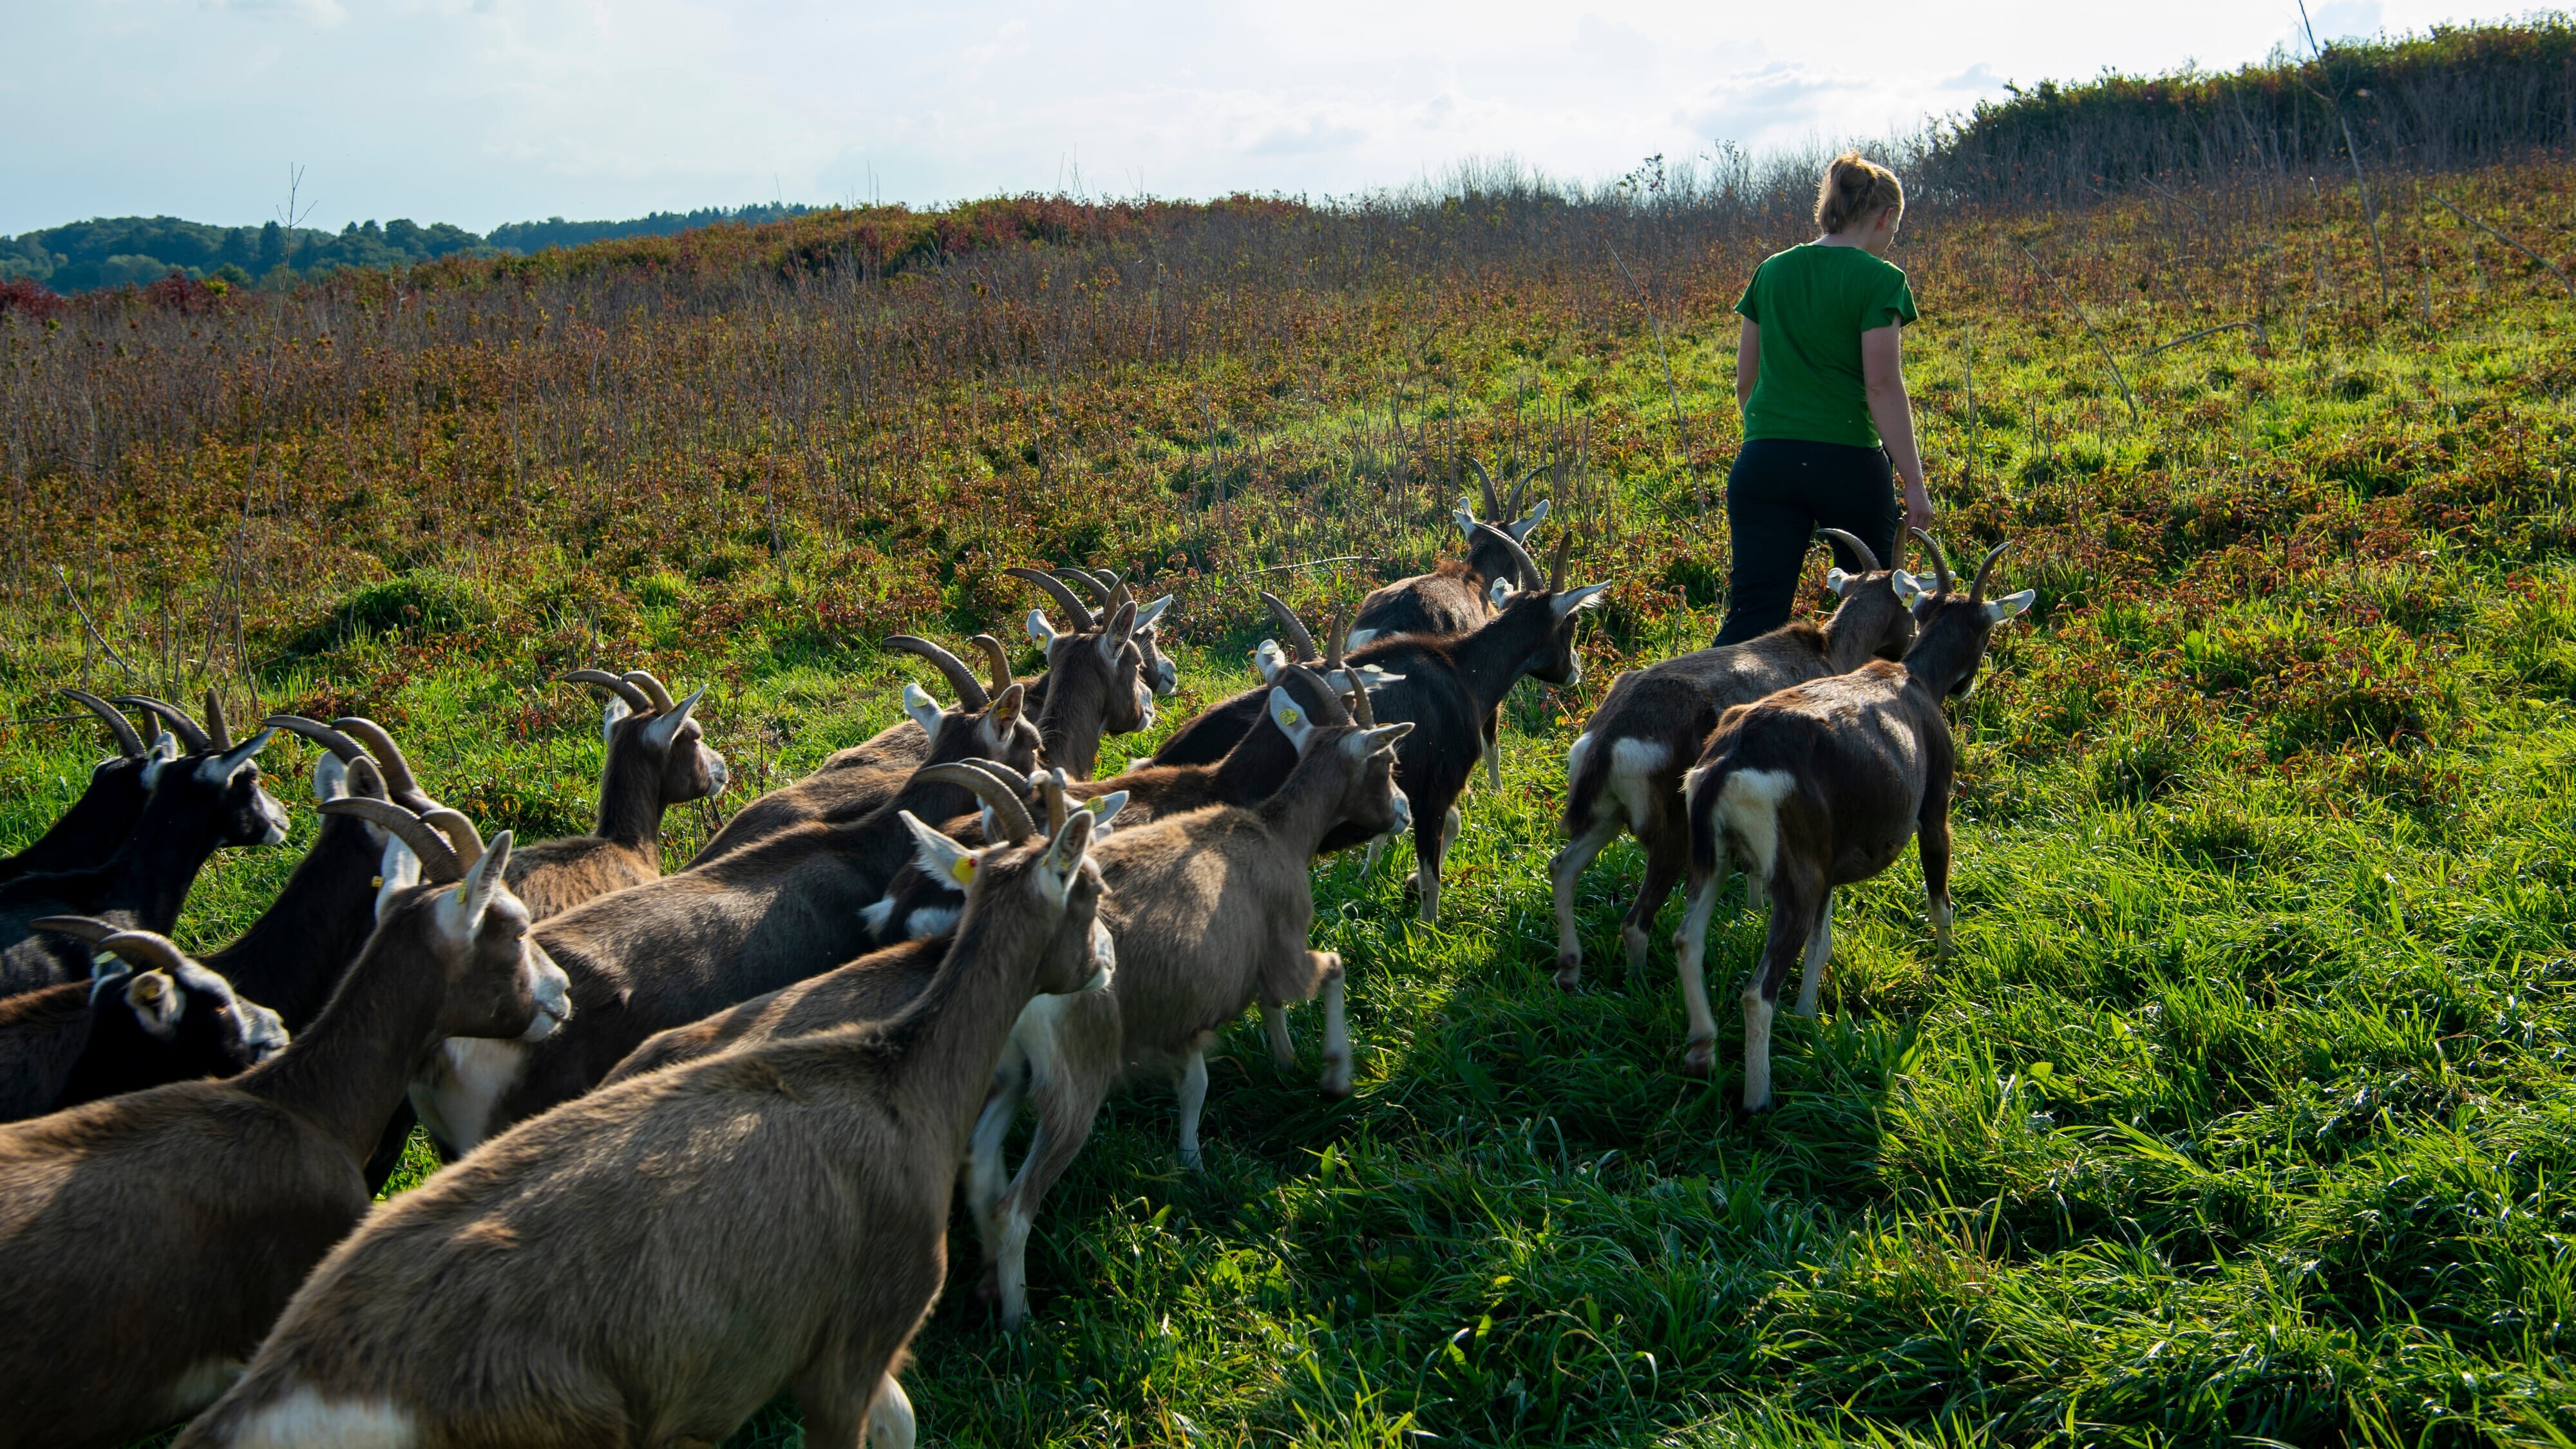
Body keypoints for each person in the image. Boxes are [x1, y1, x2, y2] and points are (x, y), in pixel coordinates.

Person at [1712, 151, 1935, 645]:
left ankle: (1701, 712)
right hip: (1848, 463)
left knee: (1753, 616)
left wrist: (1775, 440)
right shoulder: (1881, 280)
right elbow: (1881, 386)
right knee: (1873, 606)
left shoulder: (1771, 272)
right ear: (1884, 218)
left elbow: (1744, 383)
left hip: (1764, 460)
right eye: (1894, 228)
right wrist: (1914, 483)